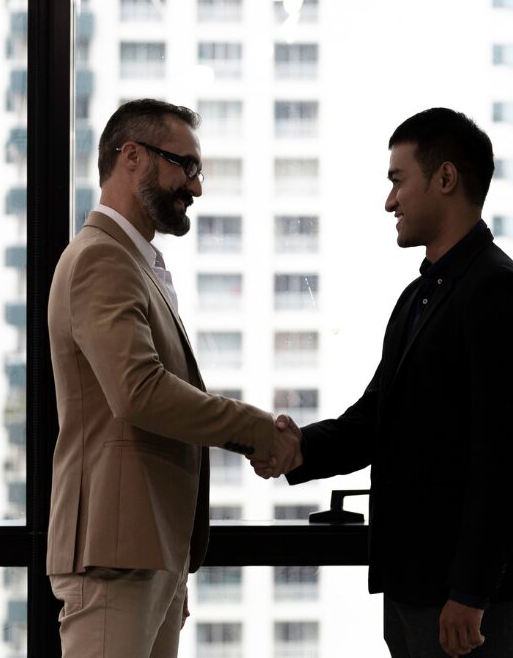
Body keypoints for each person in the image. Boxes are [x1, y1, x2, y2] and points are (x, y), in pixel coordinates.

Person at [253, 107, 513, 658]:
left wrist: (470, 591)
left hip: (462, 601)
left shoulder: (496, 292)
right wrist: (297, 449)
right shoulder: (419, 297)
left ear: (444, 178)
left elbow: (504, 457)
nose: (390, 202)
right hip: (416, 586)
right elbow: (374, 418)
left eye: (397, 181)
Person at [46, 98, 302, 657]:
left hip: (147, 552)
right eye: (184, 165)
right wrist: (260, 431)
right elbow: (139, 392)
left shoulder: (137, 264)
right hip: (115, 555)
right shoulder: (101, 260)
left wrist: (172, 563)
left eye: (198, 170)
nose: (196, 186)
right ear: (131, 156)